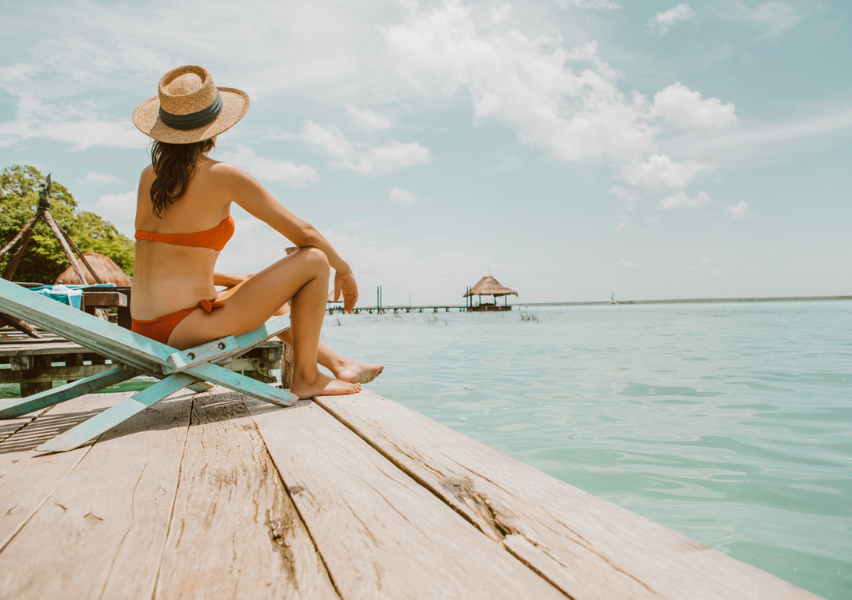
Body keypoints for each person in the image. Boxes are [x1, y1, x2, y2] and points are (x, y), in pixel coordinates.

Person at [130, 65, 382, 399]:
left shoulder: (150, 175)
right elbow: (303, 233)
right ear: (214, 128)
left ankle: (338, 363)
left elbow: (167, 257)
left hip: (144, 326)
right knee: (315, 260)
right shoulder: (222, 175)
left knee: (267, 294)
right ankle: (307, 377)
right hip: (184, 329)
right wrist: (343, 268)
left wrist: (230, 278)